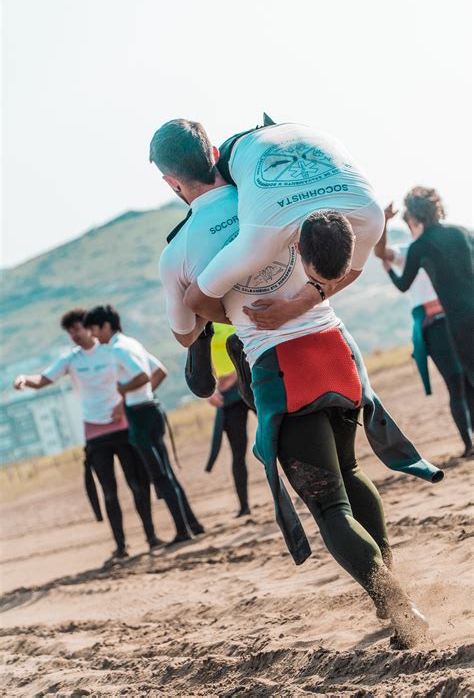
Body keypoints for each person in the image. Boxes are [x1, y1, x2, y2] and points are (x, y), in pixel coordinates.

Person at [157, 155, 443, 648]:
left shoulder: (181, 246)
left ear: (171, 181)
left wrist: (215, 311)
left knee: (330, 506)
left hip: (283, 372)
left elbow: (187, 334)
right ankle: (386, 592)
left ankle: (395, 601)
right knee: (350, 475)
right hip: (335, 351)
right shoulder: (267, 202)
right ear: (217, 160)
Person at [150, 117, 385, 328]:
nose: (318, 288)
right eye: (314, 281)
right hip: (241, 150)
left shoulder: (371, 216)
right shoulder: (263, 235)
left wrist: (297, 307)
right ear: (297, 246)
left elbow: (351, 271)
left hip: (298, 130)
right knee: (208, 187)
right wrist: (247, 321)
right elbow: (195, 297)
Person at [13, 308, 161, 564]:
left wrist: (129, 400)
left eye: (77, 328)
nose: (74, 334)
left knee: (137, 485)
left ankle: (151, 536)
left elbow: (147, 371)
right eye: (69, 331)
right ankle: (120, 545)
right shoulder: (71, 359)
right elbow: (44, 380)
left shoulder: (112, 349)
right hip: (95, 431)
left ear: (89, 327)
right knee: (109, 492)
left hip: (123, 424)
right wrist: (25, 379)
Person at [83, 304, 204, 546]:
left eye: (95, 329)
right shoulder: (131, 343)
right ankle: (191, 524)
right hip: (150, 408)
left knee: (160, 476)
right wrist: (143, 394)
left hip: (139, 415)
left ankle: (182, 531)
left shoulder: (117, 350)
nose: (94, 336)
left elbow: (143, 376)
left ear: (106, 326)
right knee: (166, 473)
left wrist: (123, 391)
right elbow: (159, 371)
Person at [375, 202, 472, 457]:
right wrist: (383, 223)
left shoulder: (434, 245)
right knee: (458, 384)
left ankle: (470, 443)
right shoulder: (409, 250)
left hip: (453, 320)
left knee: (464, 381)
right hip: (440, 324)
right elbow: (381, 252)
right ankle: (469, 444)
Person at [205, 323, 252, 517]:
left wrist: (236, 372)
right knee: (237, 451)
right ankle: (244, 506)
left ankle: (306, 490)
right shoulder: (202, 323)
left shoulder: (231, 312)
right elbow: (201, 359)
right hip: (227, 394)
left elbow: (250, 340)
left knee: (278, 438)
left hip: (248, 380)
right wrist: (210, 390)